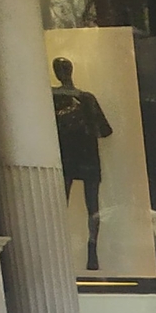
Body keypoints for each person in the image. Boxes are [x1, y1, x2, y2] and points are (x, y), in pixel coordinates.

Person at [52, 58, 113, 274]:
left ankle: (89, 251)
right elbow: (104, 130)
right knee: (87, 206)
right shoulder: (81, 97)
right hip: (78, 156)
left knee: (75, 206)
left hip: (74, 156)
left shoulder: (81, 98)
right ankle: (89, 251)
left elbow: (104, 130)